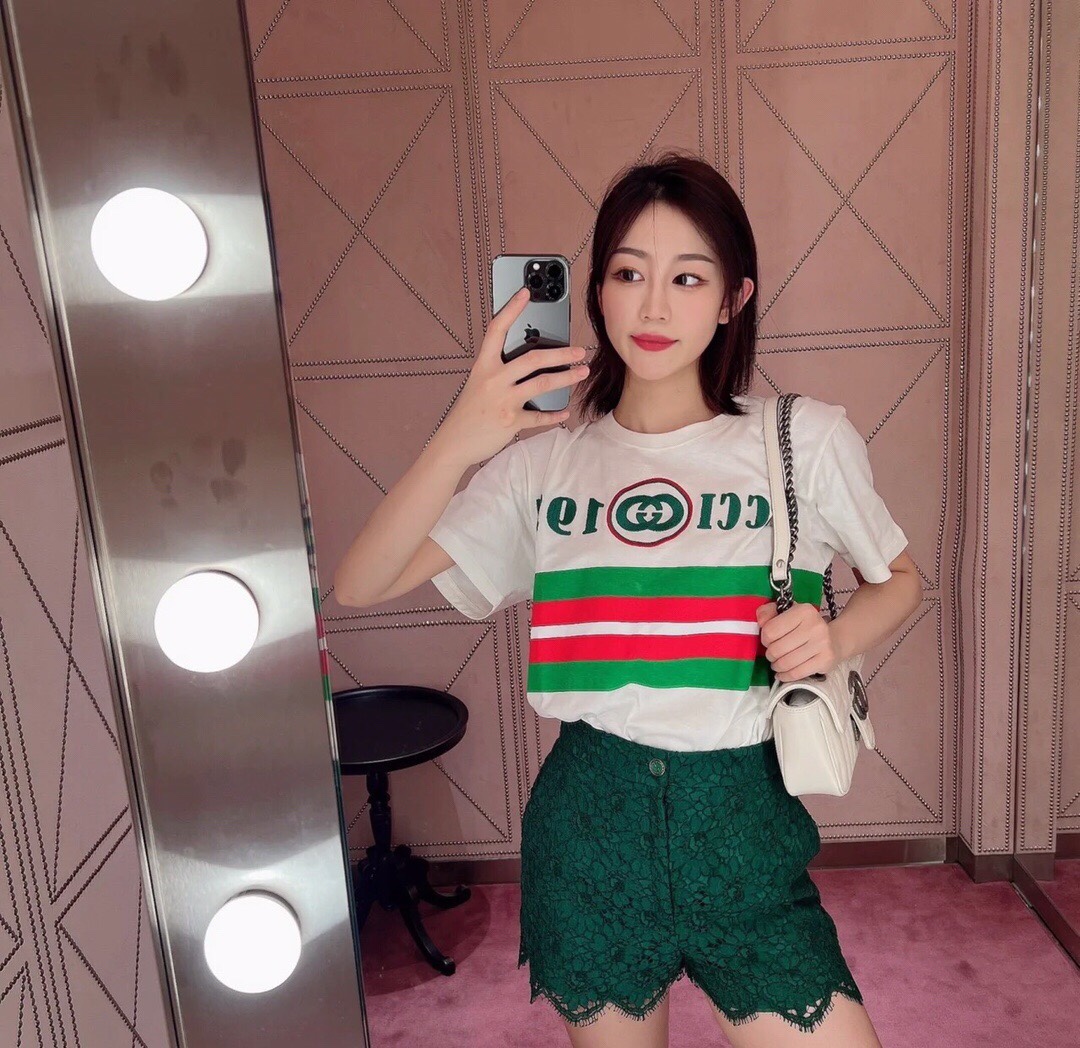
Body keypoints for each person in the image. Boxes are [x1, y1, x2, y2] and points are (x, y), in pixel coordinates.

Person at [334, 150, 921, 1048]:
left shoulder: (801, 441)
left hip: (744, 823)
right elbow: (361, 582)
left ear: (732, 299)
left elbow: (901, 580)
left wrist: (833, 640)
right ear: (597, 294)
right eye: (628, 274)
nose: (653, 308)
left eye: (688, 278)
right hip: (589, 826)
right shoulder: (545, 466)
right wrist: (462, 435)